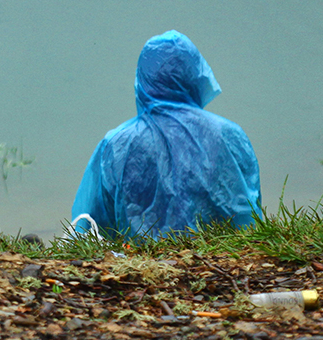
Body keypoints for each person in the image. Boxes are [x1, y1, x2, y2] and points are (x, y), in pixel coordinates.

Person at [72, 29, 260, 236]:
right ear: (195, 75)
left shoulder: (117, 143)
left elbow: (90, 225)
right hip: (221, 252)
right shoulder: (228, 134)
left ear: (143, 79)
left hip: (140, 262)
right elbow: (247, 211)